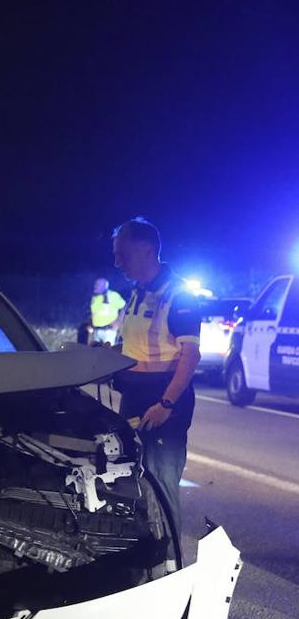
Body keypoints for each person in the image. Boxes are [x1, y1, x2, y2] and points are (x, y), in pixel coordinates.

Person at [111, 217, 201, 552]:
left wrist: (166, 404)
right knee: (131, 482)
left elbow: (190, 356)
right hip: (133, 399)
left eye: (124, 254)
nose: (117, 261)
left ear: (147, 250)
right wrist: (105, 355)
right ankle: (142, 555)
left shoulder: (177, 294)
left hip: (162, 402)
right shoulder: (137, 292)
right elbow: (137, 347)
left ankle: (171, 562)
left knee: (161, 486)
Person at [89, 276, 126, 345]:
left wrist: (118, 322)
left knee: (109, 353)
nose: (94, 286)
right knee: (95, 353)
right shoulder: (95, 298)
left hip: (108, 331)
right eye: (95, 284)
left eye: (97, 285)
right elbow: (94, 313)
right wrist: (90, 324)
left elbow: (124, 308)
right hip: (96, 331)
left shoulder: (113, 295)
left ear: (104, 286)